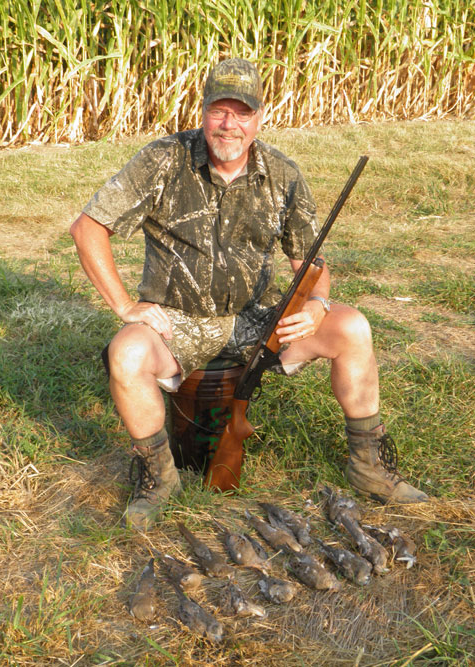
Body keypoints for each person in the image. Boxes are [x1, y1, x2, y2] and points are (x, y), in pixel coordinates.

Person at [70, 58, 428, 532]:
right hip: (178, 320)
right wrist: (124, 305)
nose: (229, 124)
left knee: (353, 327)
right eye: (220, 110)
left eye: (242, 113)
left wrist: (319, 305)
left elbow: (312, 264)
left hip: (257, 319)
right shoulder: (163, 160)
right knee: (126, 353)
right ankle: (159, 480)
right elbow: (88, 227)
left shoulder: (283, 174)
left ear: (260, 118)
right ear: (203, 111)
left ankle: (368, 466)